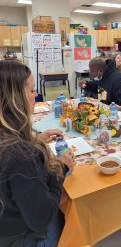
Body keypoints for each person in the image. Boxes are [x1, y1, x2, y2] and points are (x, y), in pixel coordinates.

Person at [0, 60, 75, 247]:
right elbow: (41, 218)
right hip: (18, 237)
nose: (37, 95)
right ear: (15, 98)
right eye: (32, 91)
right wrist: (61, 167)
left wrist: (36, 140)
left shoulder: (11, 142)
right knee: (65, 213)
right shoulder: (20, 156)